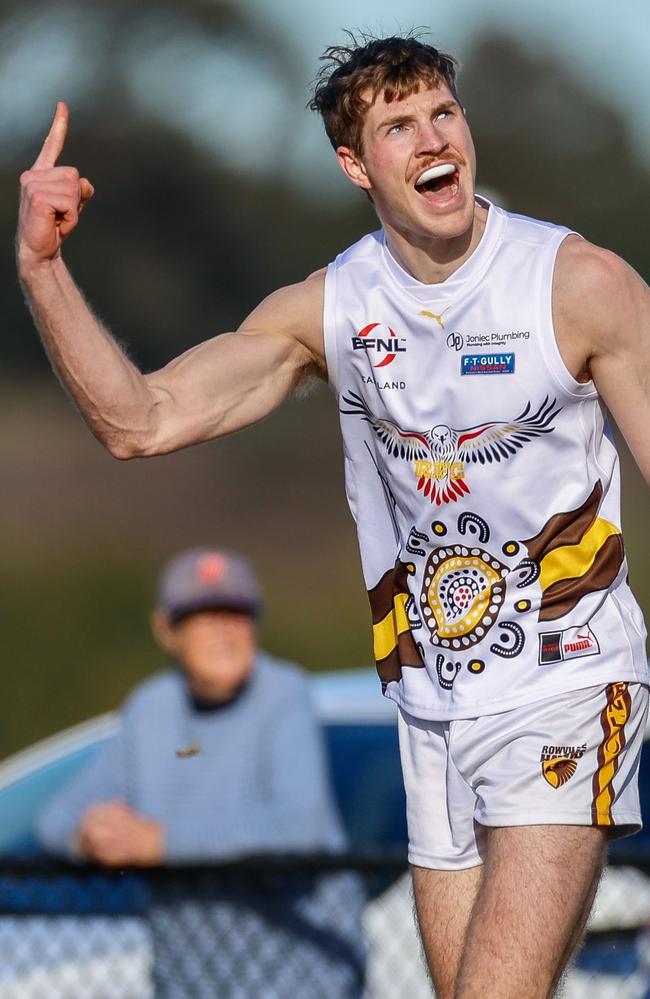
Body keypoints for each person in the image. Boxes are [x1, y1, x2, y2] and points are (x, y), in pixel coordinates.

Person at [17, 32, 650, 998]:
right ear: (356, 164)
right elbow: (139, 422)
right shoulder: (333, 308)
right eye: (399, 126)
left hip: (569, 690)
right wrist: (43, 272)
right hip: (429, 707)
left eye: (444, 112)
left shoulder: (577, 284)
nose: (434, 138)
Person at [37, 547, 365, 998]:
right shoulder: (151, 708)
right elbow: (54, 821)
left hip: (300, 979)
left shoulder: (284, 694)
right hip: (188, 984)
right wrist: (91, 834)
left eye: (237, 614)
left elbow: (298, 827)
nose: (225, 632)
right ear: (166, 630)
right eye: (204, 616)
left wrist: (159, 843)